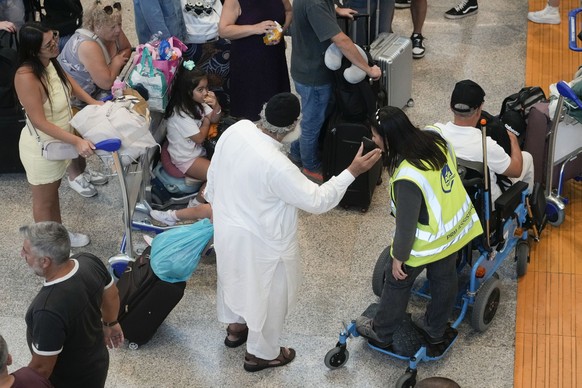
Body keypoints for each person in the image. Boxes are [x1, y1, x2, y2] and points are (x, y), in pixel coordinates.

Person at [205, 92, 382, 372]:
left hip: (227, 228)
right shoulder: (277, 165)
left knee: (234, 279)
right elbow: (318, 201)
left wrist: (215, 207)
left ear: (264, 112)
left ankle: (236, 329)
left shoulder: (237, 129)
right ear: (292, 127)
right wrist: (352, 171)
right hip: (265, 244)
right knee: (269, 297)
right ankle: (261, 354)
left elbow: (212, 175)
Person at [355, 106, 483, 349]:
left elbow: (406, 226)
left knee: (397, 281)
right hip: (454, 231)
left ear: (388, 138)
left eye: (374, 135)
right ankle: (435, 329)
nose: (373, 140)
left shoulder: (408, 176)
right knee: (445, 279)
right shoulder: (435, 139)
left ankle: (381, 331)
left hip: (426, 241)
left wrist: (398, 257)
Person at [15, 22, 104, 247]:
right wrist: (76, 141)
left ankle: (59, 235)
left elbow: (69, 83)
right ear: (33, 50)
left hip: (60, 143)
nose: (55, 44)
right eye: (48, 44)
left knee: (53, 193)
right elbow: (39, 121)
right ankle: (50, 248)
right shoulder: (26, 77)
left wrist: (94, 104)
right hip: (42, 151)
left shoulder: (49, 61)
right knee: (44, 202)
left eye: (54, 37)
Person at [20, 221, 124, 388]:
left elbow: (41, 369)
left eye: (25, 251)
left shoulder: (47, 310)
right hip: (97, 365)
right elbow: (112, 295)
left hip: (68, 380)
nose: (21, 254)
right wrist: (111, 322)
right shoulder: (88, 261)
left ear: (45, 261)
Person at [289, 0, 381, 182]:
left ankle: (296, 153)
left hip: (306, 67)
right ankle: (310, 166)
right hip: (313, 76)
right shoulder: (315, 4)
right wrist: (369, 69)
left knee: (312, 117)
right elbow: (342, 41)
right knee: (312, 123)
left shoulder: (319, 3)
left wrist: (336, 10)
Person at [434, 80, 535, 205]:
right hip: (487, 206)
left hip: (450, 199)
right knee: (527, 158)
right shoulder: (487, 146)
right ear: (479, 108)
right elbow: (516, 171)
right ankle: (524, 210)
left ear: (451, 106)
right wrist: (513, 139)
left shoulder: (435, 133)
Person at [149, 60, 221, 226]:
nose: (206, 92)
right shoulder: (180, 113)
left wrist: (215, 105)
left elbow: (215, 117)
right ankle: (194, 204)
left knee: (220, 173)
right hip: (185, 158)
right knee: (218, 176)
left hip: (195, 153)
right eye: (200, 89)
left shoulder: (198, 103)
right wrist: (206, 122)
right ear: (188, 92)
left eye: (206, 88)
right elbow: (199, 138)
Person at [218, 0, 292, 121]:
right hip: (248, 61)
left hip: (275, 58)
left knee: (276, 106)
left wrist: (281, 31)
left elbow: (289, 11)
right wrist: (255, 28)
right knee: (251, 108)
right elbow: (223, 30)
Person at [58, 0, 131, 107]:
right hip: (75, 100)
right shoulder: (88, 45)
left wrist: (111, 70)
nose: (118, 30)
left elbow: (127, 48)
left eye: (119, 24)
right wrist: (115, 63)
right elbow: (106, 83)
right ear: (97, 26)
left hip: (95, 90)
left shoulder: (112, 30)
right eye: (113, 27)